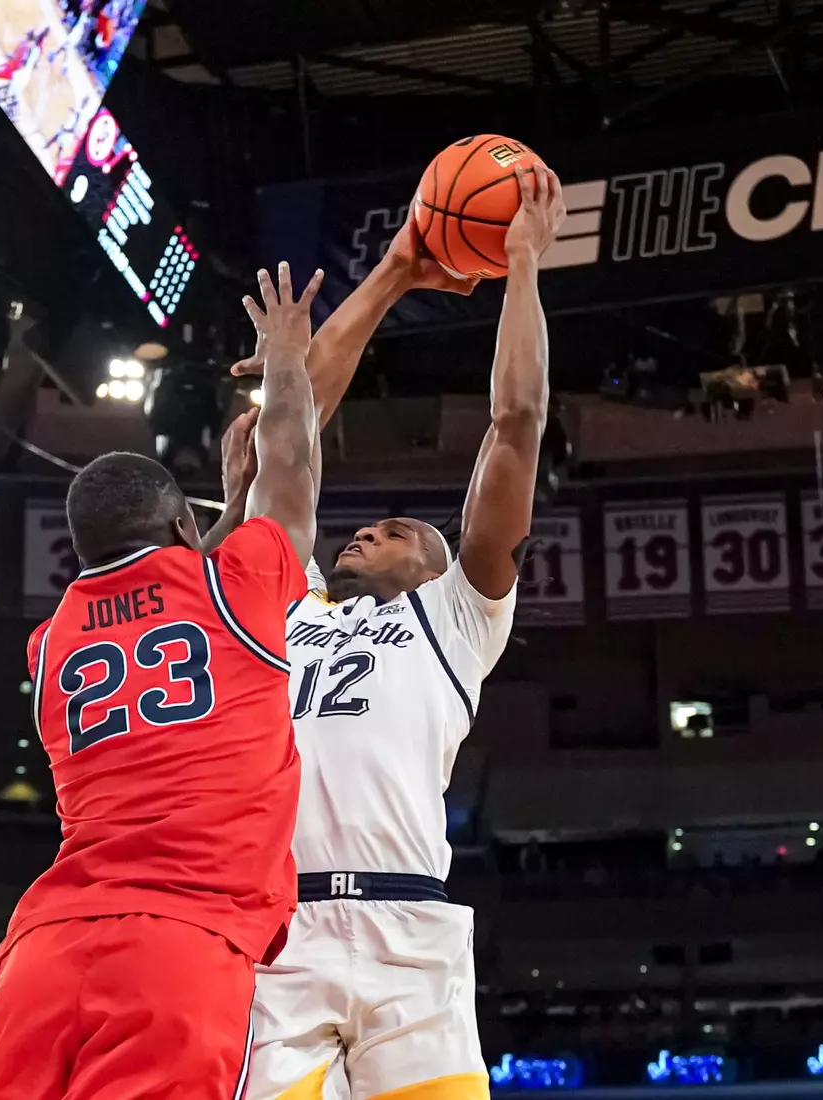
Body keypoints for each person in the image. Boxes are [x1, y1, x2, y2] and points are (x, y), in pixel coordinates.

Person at [227, 165, 566, 1100]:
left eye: (405, 530)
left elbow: (516, 424)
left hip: (408, 939)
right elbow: (283, 446)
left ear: (440, 564)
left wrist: (525, 266)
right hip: (280, 937)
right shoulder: (285, 609)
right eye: (366, 526)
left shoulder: (458, 620)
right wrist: (394, 270)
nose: (370, 528)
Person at [0, 263, 325, 1100]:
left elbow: (159, 597)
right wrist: (285, 359)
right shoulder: (231, 587)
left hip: (43, 953)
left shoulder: (49, 645)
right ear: (182, 525)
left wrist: (224, 513)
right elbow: (293, 467)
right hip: (180, 947)